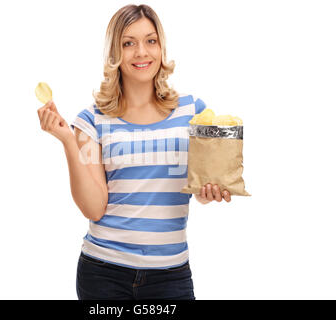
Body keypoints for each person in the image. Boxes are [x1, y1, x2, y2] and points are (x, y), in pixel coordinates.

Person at [37, 4, 231, 300]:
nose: (142, 52)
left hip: (171, 273)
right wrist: (66, 140)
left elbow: (203, 185)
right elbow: (93, 208)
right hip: (103, 273)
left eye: (150, 41)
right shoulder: (92, 120)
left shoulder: (193, 111)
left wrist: (209, 191)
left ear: (161, 47)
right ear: (115, 53)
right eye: (129, 43)